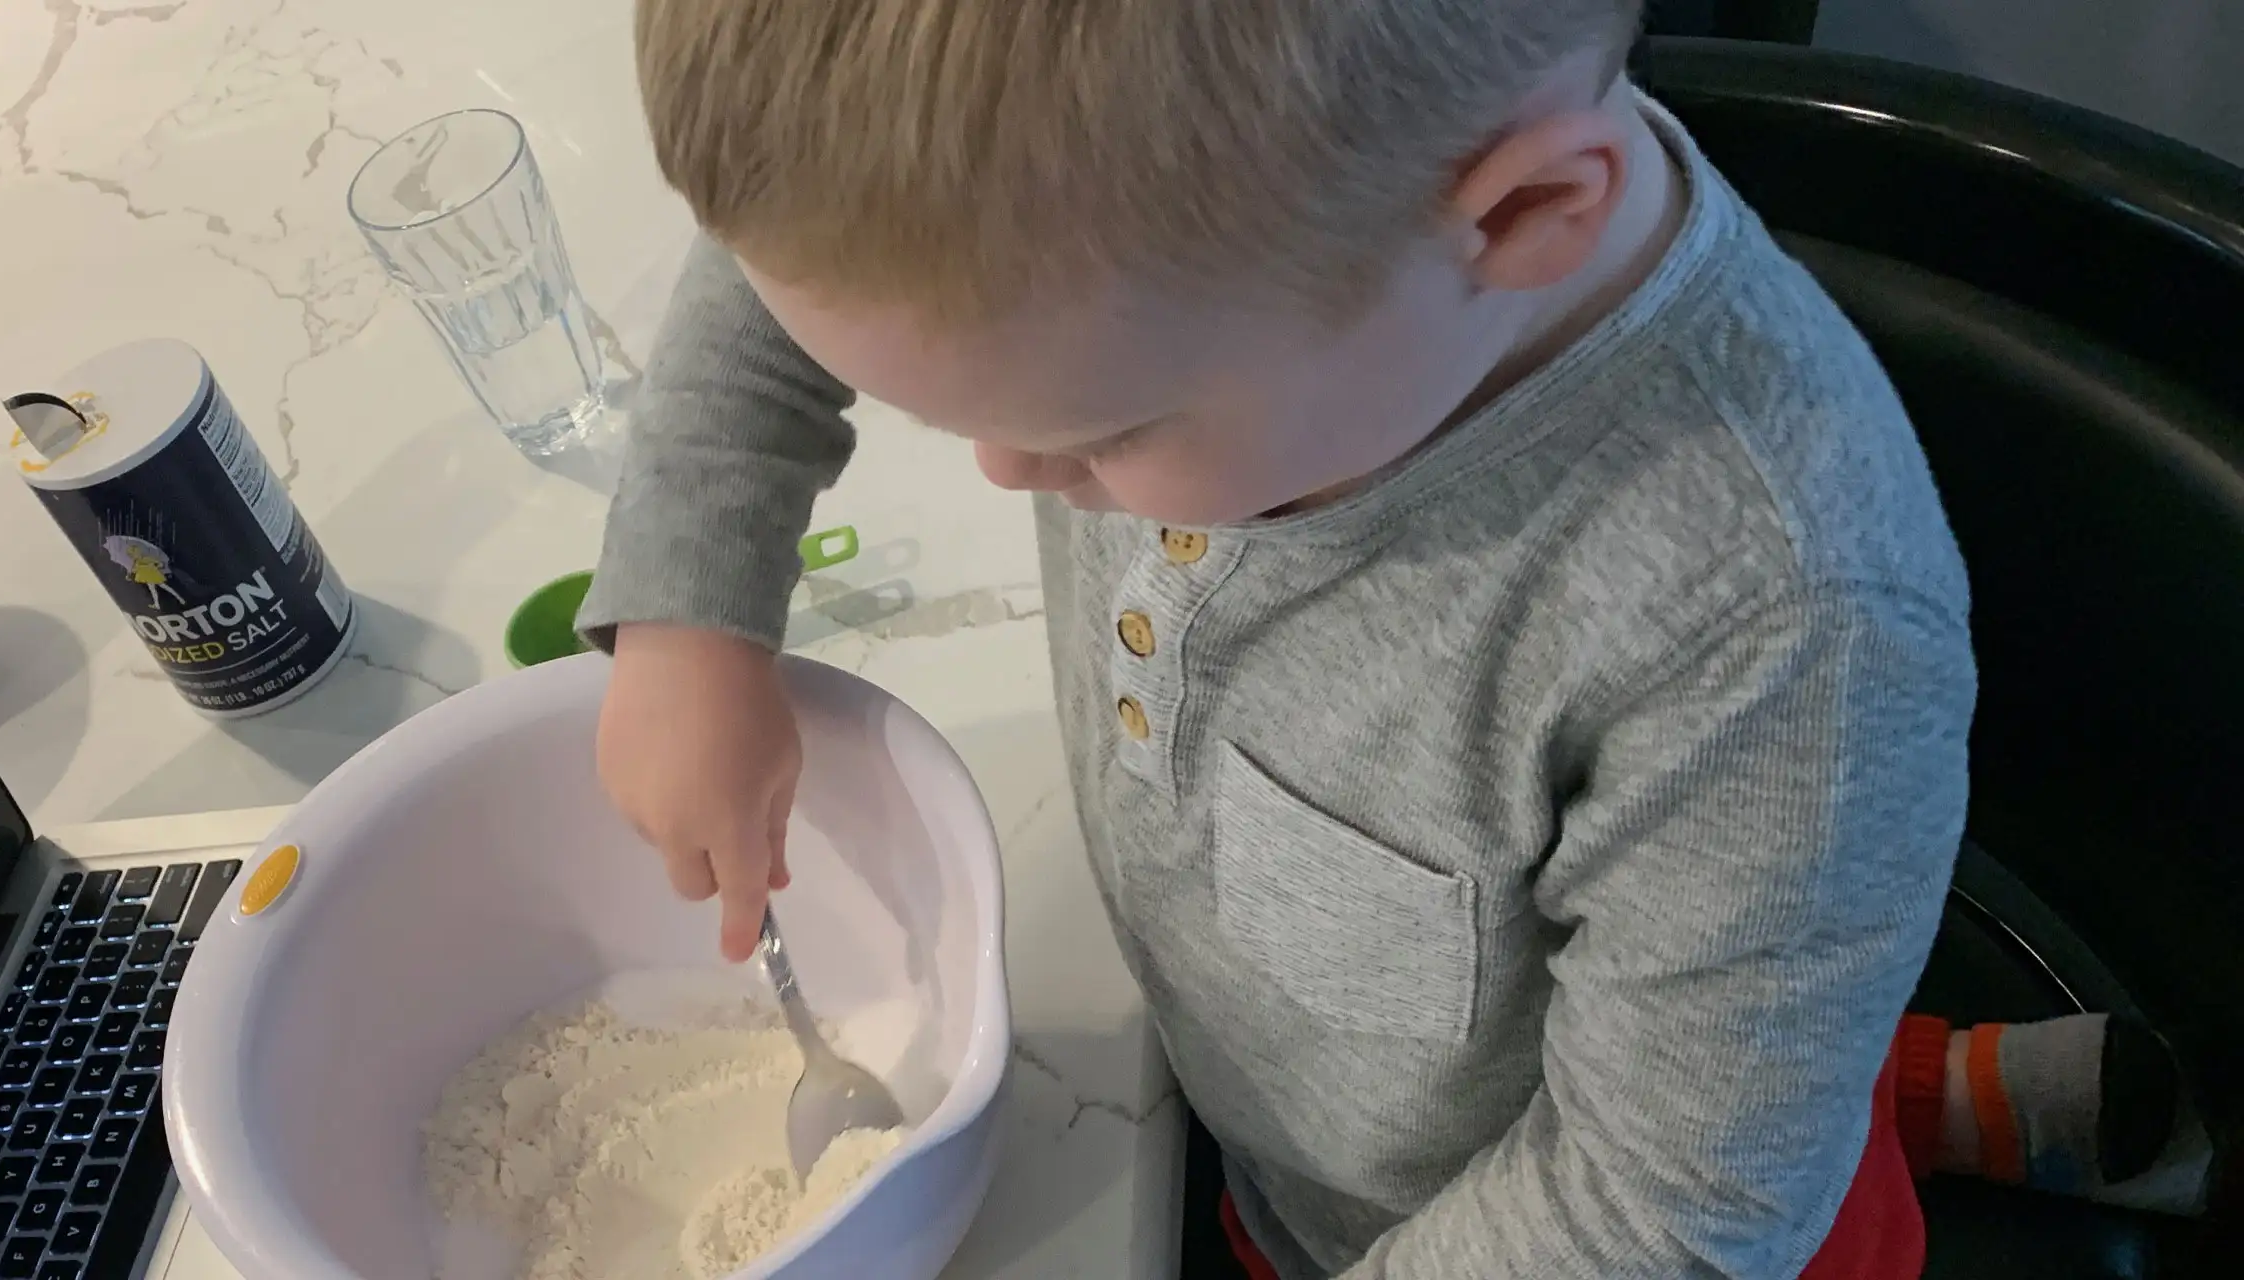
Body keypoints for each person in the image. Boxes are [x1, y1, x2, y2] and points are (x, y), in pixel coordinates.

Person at [577, 3, 2180, 1276]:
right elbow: (810, 241)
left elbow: (1668, 1213)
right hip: (1309, 1126)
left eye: (1099, 429)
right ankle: (1889, 1082)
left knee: (1752, 1131)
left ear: (1530, 213)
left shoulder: (1777, 634)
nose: (1009, 474)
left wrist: (1708, 1144)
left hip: (1537, 1235)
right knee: (1745, 1063)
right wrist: (691, 612)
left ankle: (1851, 1096)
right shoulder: (1122, 237)